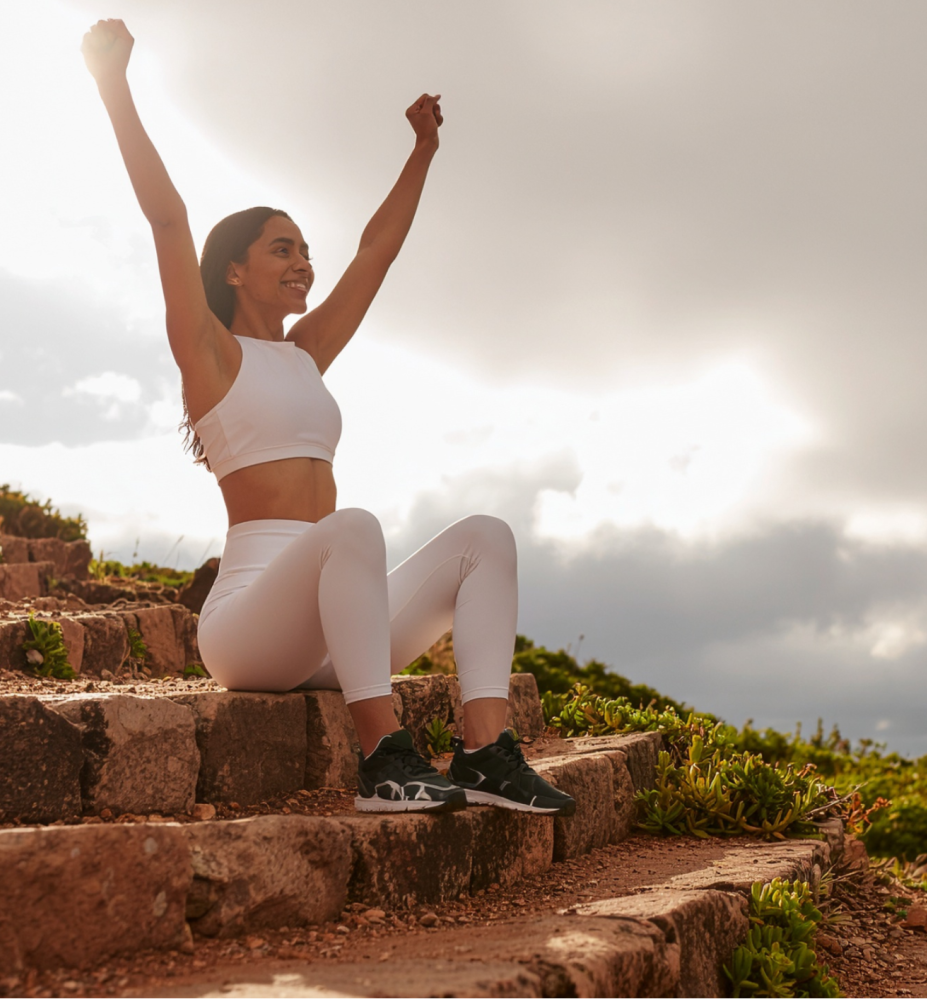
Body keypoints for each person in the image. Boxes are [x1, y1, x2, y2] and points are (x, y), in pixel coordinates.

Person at [83, 18, 573, 817]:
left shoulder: (305, 351)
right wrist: (113, 86)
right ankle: (383, 756)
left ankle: (485, 750)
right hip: (251, 625)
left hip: (338, 627)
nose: (302, 260)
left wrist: (421, 154)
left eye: (305, 247)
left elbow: (374, 253)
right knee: (351, 527)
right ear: (234, 268)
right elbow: (169, 220)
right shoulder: (207, 352)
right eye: (282, 248)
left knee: (485, 536)